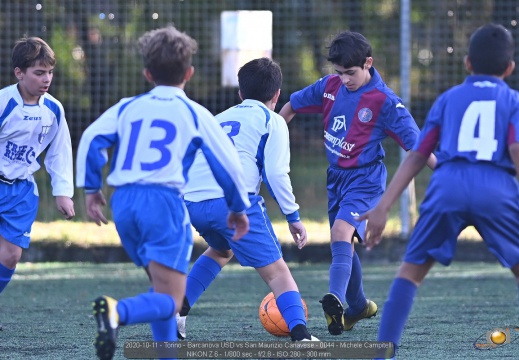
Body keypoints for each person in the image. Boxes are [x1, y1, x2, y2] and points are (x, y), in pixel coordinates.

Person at [75, 26, 250, 360]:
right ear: (189, 73)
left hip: (124, 202)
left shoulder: (128, 107)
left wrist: (92, 188)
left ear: (147, 73)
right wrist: (238, 207)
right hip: (163, 204)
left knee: (162, 290)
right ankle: (117, 312)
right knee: (172, 299)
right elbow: (227, 163)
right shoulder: (195, 113)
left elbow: (92, 139)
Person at [357, 23, 519, 359]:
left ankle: (382, 353)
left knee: (411, 273)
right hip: (496, 188)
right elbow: (515, 150)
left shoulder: (448, 99)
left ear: (467, 63)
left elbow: (418, 155)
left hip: (449, 185)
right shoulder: (513, 100)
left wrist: (384, 206)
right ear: (510, 68)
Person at [279, 31, 436, 336]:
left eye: (350, 73)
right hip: (336, 178)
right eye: (339, 73)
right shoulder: (329, 87)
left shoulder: (385, 102)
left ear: (368, 63)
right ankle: (358, 306)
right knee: (344, 244)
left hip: (366, 180)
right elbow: (291, 106)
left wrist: (444, 173)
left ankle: (334, 297)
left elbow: (419, 146)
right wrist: (270, 136)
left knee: (339, 232)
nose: (344, 79)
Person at [176, 57, 318, 342]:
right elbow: (276, 174)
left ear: (240, 93)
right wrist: (294, 218)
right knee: (278, 274)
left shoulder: (219, 118)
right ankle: (301, 335)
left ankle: (176, 313)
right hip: (231, 204)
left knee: (221, 250)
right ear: (277, 95)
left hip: (193, 202)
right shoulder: (273, 121)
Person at [0, 36, 75, 298]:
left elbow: (60, 151)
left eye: (50, 72)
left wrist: (63, 191)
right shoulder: (3, 103)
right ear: (19, 73)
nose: (47, 79)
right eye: (39, 73)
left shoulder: (54, 109)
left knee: (11, 256)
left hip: (21, 191)